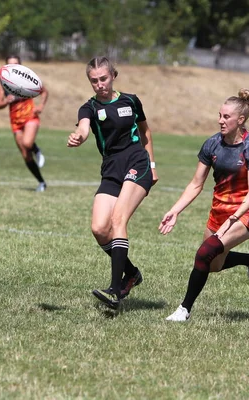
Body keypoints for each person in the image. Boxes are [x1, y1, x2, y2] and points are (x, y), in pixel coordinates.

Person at [159, 89, 249, 322]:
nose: (220, 120)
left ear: (241, 120)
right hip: (219, 211)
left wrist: (235, 218)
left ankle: (184, 310)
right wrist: (175, 210)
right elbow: (196, 183)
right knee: (213, 265)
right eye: (219, 115)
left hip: (245, 213)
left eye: (226, 117)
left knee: (204, 253)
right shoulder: (212, 144)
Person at [67, 56, 158, 310]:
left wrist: (151, 164)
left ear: (113, 76)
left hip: (137, 163)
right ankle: (131, 274)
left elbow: (145, 131)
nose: (99, 84)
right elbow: (84, 129)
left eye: (103, 78)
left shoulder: (131, 100)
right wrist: (78, 137)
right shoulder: (89, 108)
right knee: (99, 228)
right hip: (111, 170)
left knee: (118, 220)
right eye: (94, 80)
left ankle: (115, 291)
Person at [0, 55, 49, 192]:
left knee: (27, 143)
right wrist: (6, 101)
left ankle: (37, 150)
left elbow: (44, 92)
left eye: (16, 64)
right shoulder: (3, 83)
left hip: (30, 116)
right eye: (10, 64)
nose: (13, 67)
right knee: (25, 155)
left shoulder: (28, 80)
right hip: (15, 121)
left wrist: (41, 106)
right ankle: (41, 182)